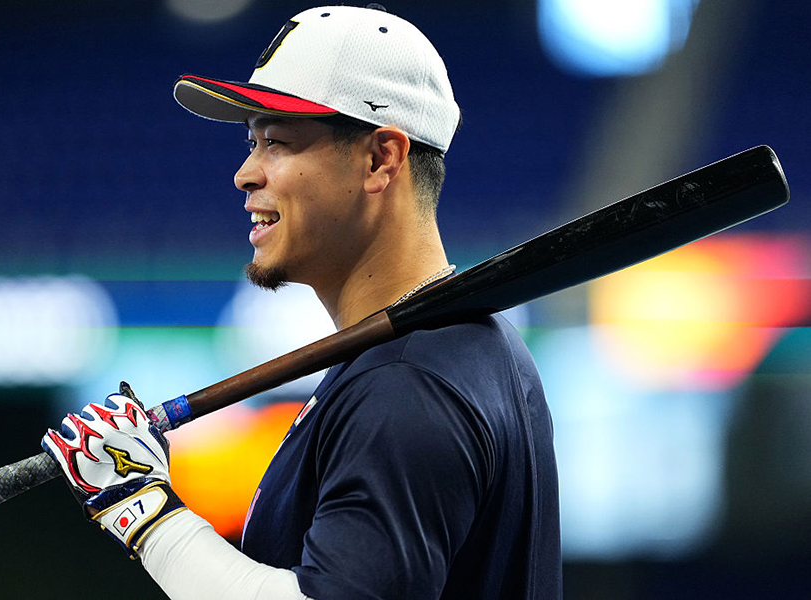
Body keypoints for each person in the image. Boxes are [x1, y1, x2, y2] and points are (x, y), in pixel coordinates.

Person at [41, 4, 561, 599]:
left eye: (278, 142)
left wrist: (142, 512)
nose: (244, 173)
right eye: (252, 142)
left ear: (380, 159)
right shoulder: (459, 346)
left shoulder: (407, 383)